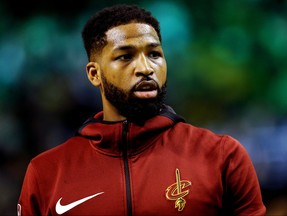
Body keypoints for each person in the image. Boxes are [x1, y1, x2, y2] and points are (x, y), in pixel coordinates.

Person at [18, 4, 266, 216]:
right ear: (95, 74)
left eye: (154, 54)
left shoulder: (222, 156)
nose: (146, 68)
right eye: (126, 57)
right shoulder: (46, 173)